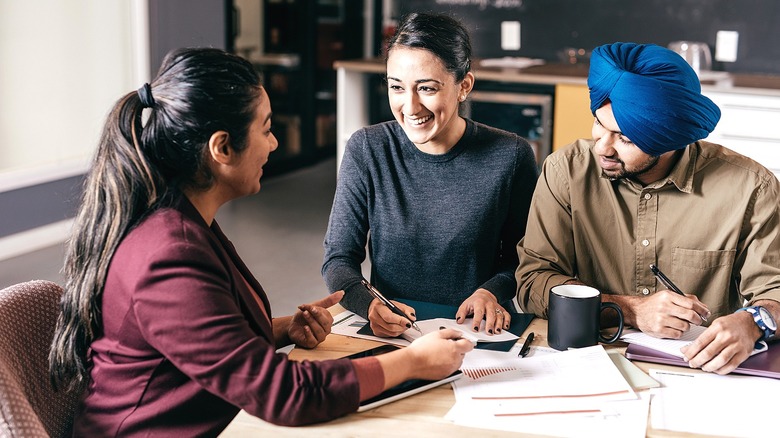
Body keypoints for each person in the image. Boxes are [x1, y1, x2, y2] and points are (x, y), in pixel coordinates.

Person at [47, 47, 473, 436]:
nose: (274, 143)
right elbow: (284, 395)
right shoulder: (168, 255)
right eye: (266, 129)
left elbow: (199, 347)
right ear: (222, 148)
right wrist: (413, 362)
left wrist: (283, 329)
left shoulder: (182, 220)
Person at [516, 42, 780, 375]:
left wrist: (753, 321)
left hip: (700, 368)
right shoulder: (566, 171)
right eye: (599, 124)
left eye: (625, 138)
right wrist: (630, 309)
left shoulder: (750, 187)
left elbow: (776, 291)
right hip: (585, 359)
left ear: (669, 139)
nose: (603, 146)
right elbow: (533, 281)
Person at [322, 12, 538, 338]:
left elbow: (524, 257)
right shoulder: (367, 149)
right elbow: (338, 259)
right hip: (397, 334)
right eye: (397, 87)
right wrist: (368, 305)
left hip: (479, 333)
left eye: (426, 88)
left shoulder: (511, 156)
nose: (410, 107)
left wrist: (490, 292)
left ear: (463, 85)